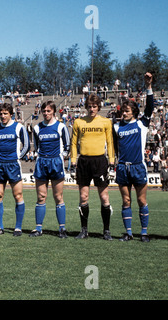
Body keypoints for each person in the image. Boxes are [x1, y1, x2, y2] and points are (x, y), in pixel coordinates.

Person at [113, 73, 154, 242]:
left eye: (127, 110)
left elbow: (150, 107)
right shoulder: (116, 126)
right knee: (126, 200)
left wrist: (149, 87)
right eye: (123, 110)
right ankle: (128, 233)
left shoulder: (141, 124)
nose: (124, 113)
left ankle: (143, 232)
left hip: (138, 166)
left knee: (141, 200)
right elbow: (116, 147)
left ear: (134, 112)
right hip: (123, 167)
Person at [70, 92, 115, 240]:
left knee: (104, 196)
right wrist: (73, 161)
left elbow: (110, 143)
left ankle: (106, 230)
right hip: (83, 162)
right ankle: (84, 230)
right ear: (86, 107)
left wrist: (112, 161)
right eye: (89, 106)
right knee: (83, 197)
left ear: (99, 107)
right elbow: (73, 143)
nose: (92, 109)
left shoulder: (106, 122)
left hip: (100, 162)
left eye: (94, 106)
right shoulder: (78, 122)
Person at [31, 101, 71, 238]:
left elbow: (67, 145)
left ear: (54, 111)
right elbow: (36, 147)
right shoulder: (37, 128)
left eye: (49, 111)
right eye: (44, 111)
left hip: (56, 163)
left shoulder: (61, 127)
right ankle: (38, 228)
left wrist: (61, 158)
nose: (46, 113)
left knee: (58, 197)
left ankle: (62, 229)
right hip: (42, 162)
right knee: (41, 196)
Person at [0, 103, 30, 236]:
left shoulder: (18, 127)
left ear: (11, 114)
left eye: (5, 113)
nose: (3, 116)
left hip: (13, 165)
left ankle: (18, 227)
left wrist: (17, 157)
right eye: (0, 114)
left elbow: (27, 145)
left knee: (18, 196)